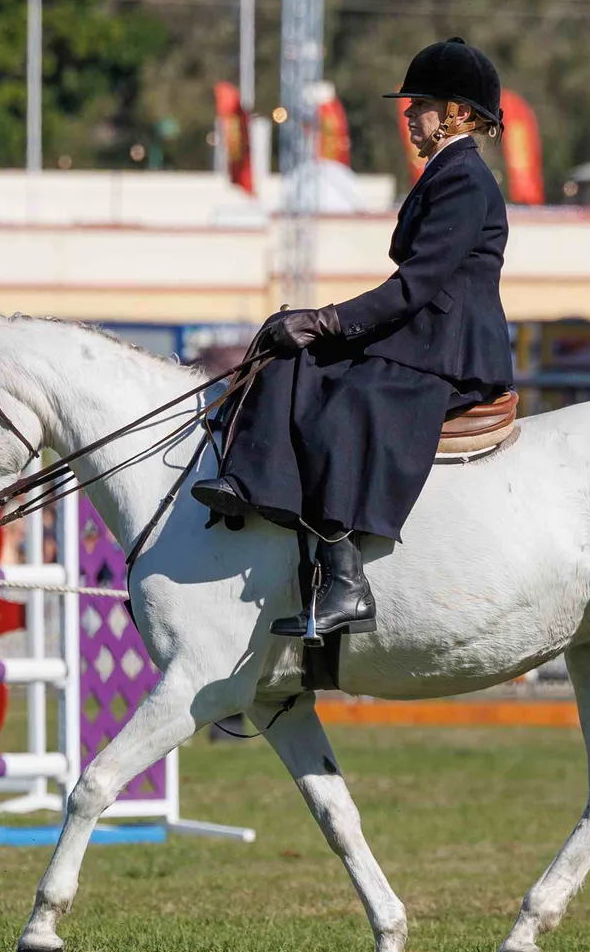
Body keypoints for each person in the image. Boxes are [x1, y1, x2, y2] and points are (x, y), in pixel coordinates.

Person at [191, 37, 515, 637]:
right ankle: (244, 479)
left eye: (420, 104)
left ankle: (346, 582)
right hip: (421, 339)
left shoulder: (465, 178)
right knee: (282, 343)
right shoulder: (444, 173)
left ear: (459, 115)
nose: (408, 114)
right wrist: (309, 325)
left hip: (449, 353)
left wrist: (329, 320)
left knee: (342, 404)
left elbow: (415, 287)